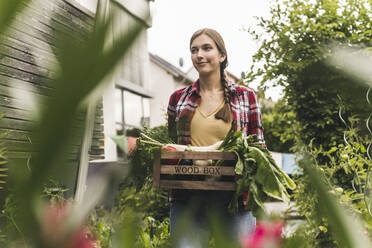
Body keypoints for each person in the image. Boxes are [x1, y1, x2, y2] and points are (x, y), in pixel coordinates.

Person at [167, 28, 265, 246]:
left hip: (235, 198)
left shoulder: (246, 97)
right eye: (194, 50)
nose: (199, 54)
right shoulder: (178, 98)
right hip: (187, 198)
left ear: (222, 55)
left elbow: (259, 148)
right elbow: (170, 146)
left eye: (206, 48)